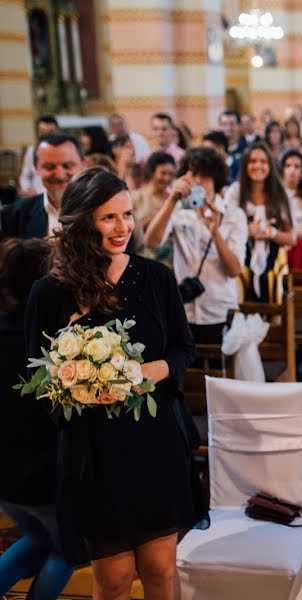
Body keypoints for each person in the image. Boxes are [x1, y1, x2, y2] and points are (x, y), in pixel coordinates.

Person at [24, 167, 207, 599]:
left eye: (127, 215)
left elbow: (184, 348)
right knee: (114, 578)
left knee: (161, 568)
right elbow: (36, 375)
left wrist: (151, 371)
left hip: (155, 441)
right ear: (83, 221)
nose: (124, 227)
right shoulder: (50, 292)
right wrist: (79, 388)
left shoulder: (156, 278)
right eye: (109, 218)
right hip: (95, 452)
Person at [0, 238, 74, 599]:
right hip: (42, 476)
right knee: (70, 551)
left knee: (40, 540)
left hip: (7, 477)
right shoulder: (49, 345)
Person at [144, 147, 248, 345]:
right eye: (194, 176)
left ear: (216, 180)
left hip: (220, 310)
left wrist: (215, 232)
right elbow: (151, 243)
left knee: (221, 372)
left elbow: (234, 270)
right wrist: (172, 199)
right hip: (184, 311)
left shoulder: (234, 215)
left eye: (204, 177)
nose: (198, 182)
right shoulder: (177, 211)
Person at [224, 142, 294, 303]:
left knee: (273, 283)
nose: (258, 166)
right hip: (241, 257)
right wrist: (246, 231)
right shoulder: (235, 191)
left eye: (263, 161)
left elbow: (291, 238)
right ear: (245, 165)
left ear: (270, 165)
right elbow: (225, 232)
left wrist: (272, 233)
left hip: (274, 258)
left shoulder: (279, 193)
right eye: (253, 161)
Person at [1, 133, 84, 241]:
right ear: (36, 168)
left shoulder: (100, 211)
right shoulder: (14, 215)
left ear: (83, 165)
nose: (59, 175)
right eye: (50, 167)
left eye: (67, 166)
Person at [19, 115, 59, 196]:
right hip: (33, 198)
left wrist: (38, 192)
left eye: (50, 132)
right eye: (42, 132)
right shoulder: (32, 150)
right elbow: (25, 176)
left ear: (57, 131)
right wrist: (27, 189)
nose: (46, 136)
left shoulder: (65, 151)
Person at [219, 110, 247, 181]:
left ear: (239, 126)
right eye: (224, 124)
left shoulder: (247, 148)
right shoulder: (215, 149)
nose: (228, 128)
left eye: (232, 124)